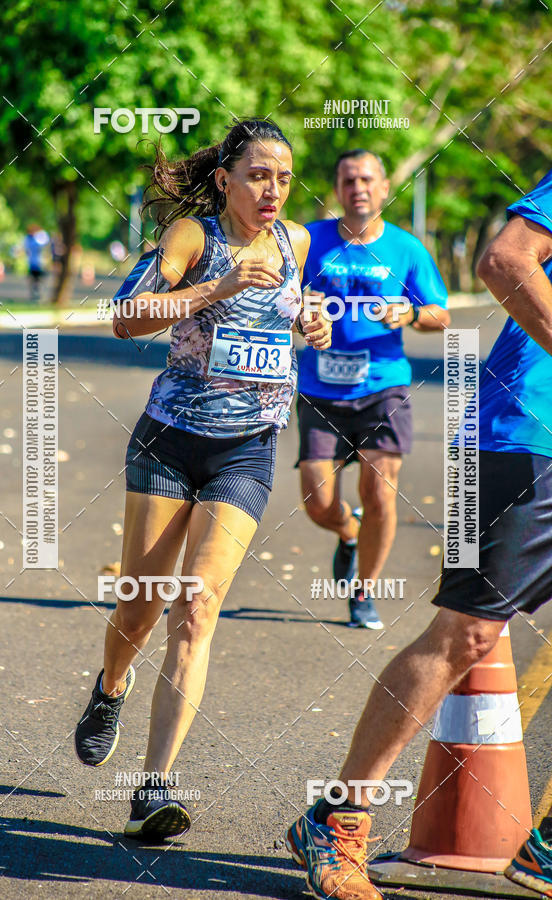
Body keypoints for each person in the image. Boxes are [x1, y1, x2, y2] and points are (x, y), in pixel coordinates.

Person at [285, 168, 552, 899]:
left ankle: (545, 848)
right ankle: (337, 819)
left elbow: (436, 306)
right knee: (465, 634)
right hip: (523, 437)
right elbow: (504, 259)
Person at [73, 118, 331, 842]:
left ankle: (152, 788)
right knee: (141, 609)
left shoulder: (296, 241)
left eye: (282, 176)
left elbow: (294, 315)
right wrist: (215, 286)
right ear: (224, 180)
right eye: (257, 175)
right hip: (170, 442)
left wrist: (313, 321)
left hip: (247, 448)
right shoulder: (194, 237)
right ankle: (110, 687)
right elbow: (127, 316)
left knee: (199, 606)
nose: (273, 189)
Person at [296, 150, 449, 629]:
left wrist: (410, 314)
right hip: (320, 388)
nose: (357, 187)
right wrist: (301, 309)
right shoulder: (309, 240)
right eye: (347, 179)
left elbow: (440, 314)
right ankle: (347, 530)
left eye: (366, 179)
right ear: (336, 189)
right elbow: (277, 296)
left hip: (385, 386)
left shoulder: (407, 249)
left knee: (381, 490)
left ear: (384, 188)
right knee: (318, 504)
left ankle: (363, 592)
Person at [24, 224, 50, 301]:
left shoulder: (33, 239)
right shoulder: (30, 240)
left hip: (39, 264)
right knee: (34, 280)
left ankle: (38, 294)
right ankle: (35, 295)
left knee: (38, 280)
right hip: (33, 264)